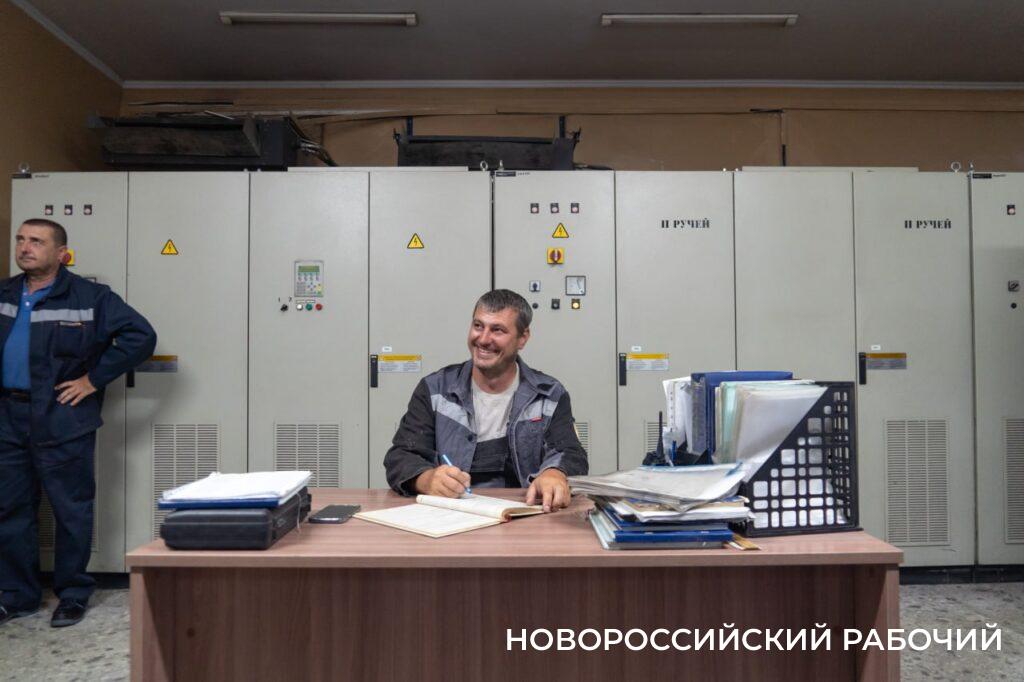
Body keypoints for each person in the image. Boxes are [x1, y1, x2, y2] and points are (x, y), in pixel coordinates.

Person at [0, 219, 156, 628]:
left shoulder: (91, 298)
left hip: (62, 417)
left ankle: (72, 593)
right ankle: (18, 596)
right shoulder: (4, 293)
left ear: (61, 253)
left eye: (37, 241)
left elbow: (141, 337)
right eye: (21, 239)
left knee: (71, 510)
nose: (25, 247)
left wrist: (92, 380)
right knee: (10, 509)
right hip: (9, 418)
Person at [383, 289, 587, 511]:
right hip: (451, 515)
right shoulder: (435, 390)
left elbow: (571, 453)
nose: (483, 339)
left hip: (523, 515)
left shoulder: (550, 394)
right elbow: (401, 456)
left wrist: (554, 473)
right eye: (478, 326)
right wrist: (427, 479)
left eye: (497, 330)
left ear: (522, 338)